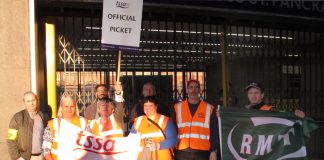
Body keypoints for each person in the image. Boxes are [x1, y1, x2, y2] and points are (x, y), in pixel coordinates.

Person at [171, 80, 219, 160]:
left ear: (200, 90)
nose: (193, 90)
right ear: (187, 90)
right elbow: (173, 129)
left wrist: (214, 150)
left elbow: (214, 131)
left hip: (202, 152)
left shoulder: (209, 108)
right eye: (191, 87)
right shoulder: (177, 108)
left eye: (196, 87)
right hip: (182, 152)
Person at [130, 96, 177, 160]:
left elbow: (173, 140)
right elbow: (131, 140)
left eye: (150, 106)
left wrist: (158, 145)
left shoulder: (165, 121)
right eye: (145, 106)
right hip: (144, 157)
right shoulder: (138, 121)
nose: (147, 108)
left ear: (156, 106)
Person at [42, 95, 87, 160]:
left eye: (72, 106)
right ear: (61, 108)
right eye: (66, 106)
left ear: (75, 107)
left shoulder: (84, 122)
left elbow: (90, 148)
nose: (69, 109)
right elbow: (46, 150)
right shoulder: (53, 124)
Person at [7, 92, 49, 160]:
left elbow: (48, 137)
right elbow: (11, 140)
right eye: (28, 101)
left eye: (33, 100)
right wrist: (17, 157)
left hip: (42, 156)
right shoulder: (17, 117)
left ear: (37, 100)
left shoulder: (44, 116)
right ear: (24, 102)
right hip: (24, 157)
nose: (31, 103)